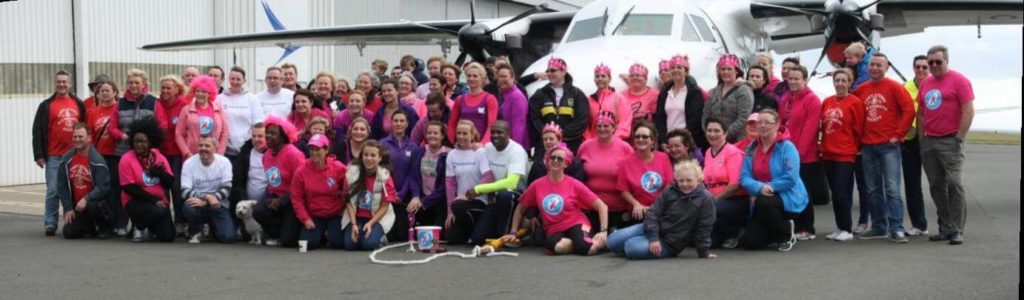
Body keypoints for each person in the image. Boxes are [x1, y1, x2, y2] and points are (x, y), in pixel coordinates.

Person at [852, 53, 915, 242]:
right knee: (872, 189)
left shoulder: (895, 87)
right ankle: (879, 226)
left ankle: (897, 228)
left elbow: (909, 110)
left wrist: (899, 134)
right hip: (868, 147)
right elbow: (853, 114)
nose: (874, 68)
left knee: (892, 188)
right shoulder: (861, 90)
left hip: (889, 146)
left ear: (886, 68)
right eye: (872, 65)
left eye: (879, 65)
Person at [501, 145, 609, 256]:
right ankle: (579, 242)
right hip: (554, 229)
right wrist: (513, 232)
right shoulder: (537, 185)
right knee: (558, 248)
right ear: (548, 161)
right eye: (553, 158)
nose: (555, 161)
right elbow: (520, 208)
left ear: (566, 164)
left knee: (587, 249)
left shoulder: (574, 184)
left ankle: (599, 242)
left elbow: (602, 206)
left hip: (578, 223)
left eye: (560, 159)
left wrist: (603, 231)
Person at [918, 45, 974, 245]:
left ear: (946, 61)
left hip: (951, 140)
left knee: (954, 183)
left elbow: (968, 110)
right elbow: (922, 112)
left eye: (937, 62)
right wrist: (921, 139)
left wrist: (959, 137)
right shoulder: (926, 83)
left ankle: (958, 229)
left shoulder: (959, 80)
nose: (933, 65)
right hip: (929, 141)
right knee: (936, 186)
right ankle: (945, 227)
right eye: (930, 62)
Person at [608, 161, 716, 259]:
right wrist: (653, 238)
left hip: (669, 243)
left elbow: (704, 228)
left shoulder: (706, 198)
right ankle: (642, 240)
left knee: (631, 248)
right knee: (612, 242)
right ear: (676, 180)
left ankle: (639, 243)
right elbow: (653, 213)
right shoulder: (670, 190)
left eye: (689, 180)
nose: (684, 184)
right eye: (681, 180)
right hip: (650, 228)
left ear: (698, 180)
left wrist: (704, 252)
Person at [738, 110, 808, 251]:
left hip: (787, 195)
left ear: (777, 125)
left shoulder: (787, 147)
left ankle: (785, 234)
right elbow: (744, 177)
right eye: (760, 122)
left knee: (764, 202)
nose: (762, 125)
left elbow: (791, 177)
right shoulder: (752, 148)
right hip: (762, 195)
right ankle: (776, 228)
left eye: (767, 122)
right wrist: (759, 188)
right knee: (751, 243)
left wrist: (767, 187)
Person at [32, 70, 87, 236]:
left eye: (65, 82)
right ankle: (50, 223)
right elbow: (37, 130)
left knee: (76, 189)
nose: (62, 84)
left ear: (70, 84)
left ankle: (75, 222)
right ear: (55, 84)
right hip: (54, 155)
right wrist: (39, 154)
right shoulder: (46, 105)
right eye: (59, 82)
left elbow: (85, 128)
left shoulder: (78, 104)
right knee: (54, 190)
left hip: (74, 154)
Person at [461, 121, 529, 245]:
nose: (495, 135)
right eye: (493, 132)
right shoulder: (488, 148)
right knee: (477, 239)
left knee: (505, 194)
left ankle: (506, 236)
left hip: (517, 197)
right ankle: (501, 229)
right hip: (495, 196)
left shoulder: (517, 151)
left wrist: (479, 189)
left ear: (509, 134)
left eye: (500, 132)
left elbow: (511, 183)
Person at [778, 65, 824, 240]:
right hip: (786, 153)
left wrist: (798, 154)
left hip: (805, 156)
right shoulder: (785, 99)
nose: (793, 81)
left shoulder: (812, 100)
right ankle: (794, 225)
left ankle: (807, 227)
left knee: (804, 191)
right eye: (790, 78)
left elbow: (810, 129)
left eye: (797, 78)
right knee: (789, 190)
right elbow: (781, 124)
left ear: (805, 80)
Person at [819, 69, 865, 242]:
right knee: (834, 193)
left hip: (845, 154)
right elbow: (822, 126)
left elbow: (859, 128)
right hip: (828, 153)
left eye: (843, 81)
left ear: (849, 82)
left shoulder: (855, 102)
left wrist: (857, 147)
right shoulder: (827, 101)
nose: (839, 84)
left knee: (841, 192)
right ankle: (840, 226)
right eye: (837, 80)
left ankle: (847, 228)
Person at [119, 117, 176, 243]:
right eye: (136, 141)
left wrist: (159, 173)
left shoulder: (158, 157)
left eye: (143, 141)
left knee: (168, 237)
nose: (139, 144)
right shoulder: (126, 159)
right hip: (135, 201)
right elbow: (128, 188)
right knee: (159, 210)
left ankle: (151, 226)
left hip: (158, 202)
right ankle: (138, 227)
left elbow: (170, 182)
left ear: (150, 142)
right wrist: (154, 200)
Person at [252, 116, 305, 247]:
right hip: (275, 193)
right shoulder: (267, 155)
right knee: (258, 211)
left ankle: (289, 231)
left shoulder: (294, 154)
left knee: (288, 241)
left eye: (273, 133)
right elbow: (272, 182)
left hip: (294, 197)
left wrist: (282, 201)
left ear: (283, 137)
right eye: (267, 133)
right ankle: (277, 234)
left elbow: (302, 185)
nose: (268, 136)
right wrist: (271, 198)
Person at [291, 134, 348, 250]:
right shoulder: (301, 171)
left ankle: (328, 234)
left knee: (338, 244)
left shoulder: (338, 167)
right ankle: (321, 235)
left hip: (335, 214)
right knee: (306, 245)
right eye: (311, 149)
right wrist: (305, 219)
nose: (314, 152)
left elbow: (349, 189)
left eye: (317, 149)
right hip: (314, 215)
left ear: (326, 150)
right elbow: (296, 198)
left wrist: (344, 210)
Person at [578, 112, 634, 228]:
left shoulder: (625, 148)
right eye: (599, 126)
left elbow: (633, 176)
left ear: (613, 128)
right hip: (591, 207)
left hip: (618, 209)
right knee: (589, 241)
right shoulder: (585, 146)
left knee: (612, 243)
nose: (602, 129)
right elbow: (577, 174)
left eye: (606, 126)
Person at [443, 121, 495, 245]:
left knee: (458, 206)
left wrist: (469, 194)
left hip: (478, 201)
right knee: (450, 237)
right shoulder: (451, 155)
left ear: (472, 135)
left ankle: (476, 227)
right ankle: (468, 231)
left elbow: (488, 177)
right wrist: (450, 212)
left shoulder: (480, 152)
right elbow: (450, 184)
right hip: (460, 205)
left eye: (465, 133)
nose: (461, 136)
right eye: (458, 133)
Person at [57, 124, 112, 239]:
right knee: (69, 233)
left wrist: (86, 199)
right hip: (77, 206)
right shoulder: (66, 160)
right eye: (75, 137)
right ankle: (89, 227)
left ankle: (104, 227)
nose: (77, 140)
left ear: (89, 138)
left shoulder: (97, 160)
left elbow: (103, 187)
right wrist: (68, 208)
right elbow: (62, 186)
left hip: (95, 204)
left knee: (93, 206)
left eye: (81, 137)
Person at [342, 140, 398, 250]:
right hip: (357, 217)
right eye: (366, 155)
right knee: (350, 244)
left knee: (368, 244)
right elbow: (347, 201)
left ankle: (381, 238)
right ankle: (360, 230)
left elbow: (385, 206)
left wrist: (371, 224)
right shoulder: (351, 172)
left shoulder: (385, 176)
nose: (369, 158)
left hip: (376, 217)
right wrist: (353, 224)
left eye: (373, 155)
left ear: (380, 158)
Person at [617, 121, 675, 224]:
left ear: (652, 140)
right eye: (637, 137)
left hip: (662, 210)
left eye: (644, 137)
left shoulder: (663, 158)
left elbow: (669, 187)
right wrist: (636, 204)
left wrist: (656, 206)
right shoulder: (625, 162)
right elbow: (623, 190)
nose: (640, 139)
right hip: (639, 213)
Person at [180, 136, 234, 244]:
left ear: (215, 147)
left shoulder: (224, 162)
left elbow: (227, 188)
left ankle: (213, 228)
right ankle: (196, 231)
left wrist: (209, 200)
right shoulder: (189, 163)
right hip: (198, 205)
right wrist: (207, 197)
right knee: (188, 206)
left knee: (228, 238)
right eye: (200, 145)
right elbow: (185, 191)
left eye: (207, 146)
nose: (203, 148)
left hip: (218, 205)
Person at [86, 81, 124, 235]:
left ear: (115, 92)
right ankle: (107, 223)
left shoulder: (120, 109)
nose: (105, 93)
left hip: (117, 155)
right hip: (101, 156)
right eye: (101, 91)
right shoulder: (94, 112)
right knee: (104, 191)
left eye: (108, 90)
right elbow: (91, 136)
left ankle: (120, 223)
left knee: (118, 189)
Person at [528, 57, 590, 152]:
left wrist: (560, 133)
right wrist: (550, 134)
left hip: (570, 145)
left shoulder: (577, 94)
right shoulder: (539, 94)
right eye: (547, 71)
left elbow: (581, 120)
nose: (549, 74)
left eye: (553, 71)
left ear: (563, 72)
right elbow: (534, 119)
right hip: (546, 146)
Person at [703, 118, 747, 248]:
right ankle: (724, 234)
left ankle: (735, 232)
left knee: (709, 208)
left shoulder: (733, 152)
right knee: (709, 243)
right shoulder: (708, 152)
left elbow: (735, 184)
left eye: (717, 131)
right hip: (716, 201)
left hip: (736, 200)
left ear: (725, 133)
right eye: (709, 130)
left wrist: (714, 199)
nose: (712, 134)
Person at [155, 75, 191, 236]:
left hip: (177, 153)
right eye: (163, 87)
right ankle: (165, 223)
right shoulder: (157, 104)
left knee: (177, 189)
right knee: (161, 190)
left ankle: (181, 222)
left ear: (177, 89)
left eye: (169, 88)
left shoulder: (184, 105)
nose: (165, 91)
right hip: (161, 152)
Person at [901, 55, 930, 236]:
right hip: (910, 140)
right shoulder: (905, 87)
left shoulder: (935, 86)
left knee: (939, 183)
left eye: (924, 67)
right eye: (917, 67)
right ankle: (919, 224)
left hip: (930, 138)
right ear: (913, 68)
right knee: (912, 185)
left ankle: (948, 225)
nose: (920, 70)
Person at [110, 68, 169, 157]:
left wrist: (149, 139)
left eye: (137, 83)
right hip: (124, 150)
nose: (133, 85)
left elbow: (163, 126)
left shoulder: (154, 102)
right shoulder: (120, 104)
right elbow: (112, 128)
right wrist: (122, 136)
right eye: (130, 82)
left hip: (148, 151)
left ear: (143, 84)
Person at [380, 110, 420, 242]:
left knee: (402, 236)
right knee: (389, 235)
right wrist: (391, 193)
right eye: (395, 121)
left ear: (407, 123)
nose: (398, 124)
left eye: (402, 121)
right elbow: (381, 170)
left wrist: (401, 194)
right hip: (386, 195)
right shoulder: (382, 144)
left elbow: (412, 173)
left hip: (404, 196)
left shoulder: (413, 147)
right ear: (391, 123)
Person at [655, 55, 707, 149]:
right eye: (672, 68)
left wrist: (683, 140)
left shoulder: (693, 92)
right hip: (668, 142)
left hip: (687, 143)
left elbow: (695, 120)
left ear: (685, 71)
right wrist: (662, 140)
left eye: (679, 67)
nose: (675, 70)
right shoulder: (664, 92)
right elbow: (660, 118)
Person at [228, 123, 269, 242]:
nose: (256, 139)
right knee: (246, 237)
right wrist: (244, 201)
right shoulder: (245, 153)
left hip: (266, 202)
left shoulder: (273, 153)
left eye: (260, 136)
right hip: (247, 205)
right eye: (254, 136)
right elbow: (238, 181)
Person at [408, 121, 451, 228]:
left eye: (435, 133)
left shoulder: (448, 155)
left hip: (439, 202)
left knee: (438, 233)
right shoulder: (418, 151)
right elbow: (413, 177)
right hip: (421, 197)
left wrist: (424, 202)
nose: (432, 136)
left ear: (442, 136)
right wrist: (416, 196)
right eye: (429, 133)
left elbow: (444, 186)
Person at [704, 54, 754, 144]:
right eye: (723, 69)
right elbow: (706, 115)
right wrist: (710, 133)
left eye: (729, 69)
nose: (725, 72)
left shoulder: (744, 90)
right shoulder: (713, 92)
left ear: (736, 71)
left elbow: (743, 117)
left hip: (738, 141)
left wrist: (725, 134)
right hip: (716, 141)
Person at [176, 75, 229, 159]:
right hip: (192, 156)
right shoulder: (186, 110)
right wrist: (187, 153)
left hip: (214, 157)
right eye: (198, 91)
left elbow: (224, 134)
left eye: (204, 91)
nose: (200, 94)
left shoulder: (218, 109)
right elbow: (179, 134)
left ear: (210, 93)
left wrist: (219, 155)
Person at [447, 63, 499, 144]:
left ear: (482, 78)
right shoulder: (459, 99)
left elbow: (491, 126)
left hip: (481, 146)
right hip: (463, 145)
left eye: (475, 76)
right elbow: (452, 124)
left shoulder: (490, 99)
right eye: (469, 76)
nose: (471, 78)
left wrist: (482, 145)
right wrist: (451, 144)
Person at [220, 67, 264, 161]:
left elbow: (258, 123)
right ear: (229, 79)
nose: (235, 82)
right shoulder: (219, 98)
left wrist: (247, 142)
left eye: (238, 79)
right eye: (232, 79)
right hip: (225, 149)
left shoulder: (252, 99)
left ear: (244, 80)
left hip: (246, 148)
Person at [584, 64, 630, 141]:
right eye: (597, 76)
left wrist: (615, 139)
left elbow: (625, 122)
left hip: (614, 142)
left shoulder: (619, 98)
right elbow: (585, 124)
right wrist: (589, 140)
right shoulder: (589, 100)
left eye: (603, 76)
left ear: (609, 78)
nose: (600, 79)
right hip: (593, 143)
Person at [494, 64, 531, 150]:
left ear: (512, 78)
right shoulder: (502, 95)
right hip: (504, 143)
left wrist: (513, 148)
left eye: (504, 76)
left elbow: (519, 126)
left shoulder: (517, 97)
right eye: (499, 77)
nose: (501, 79)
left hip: (514, 146)